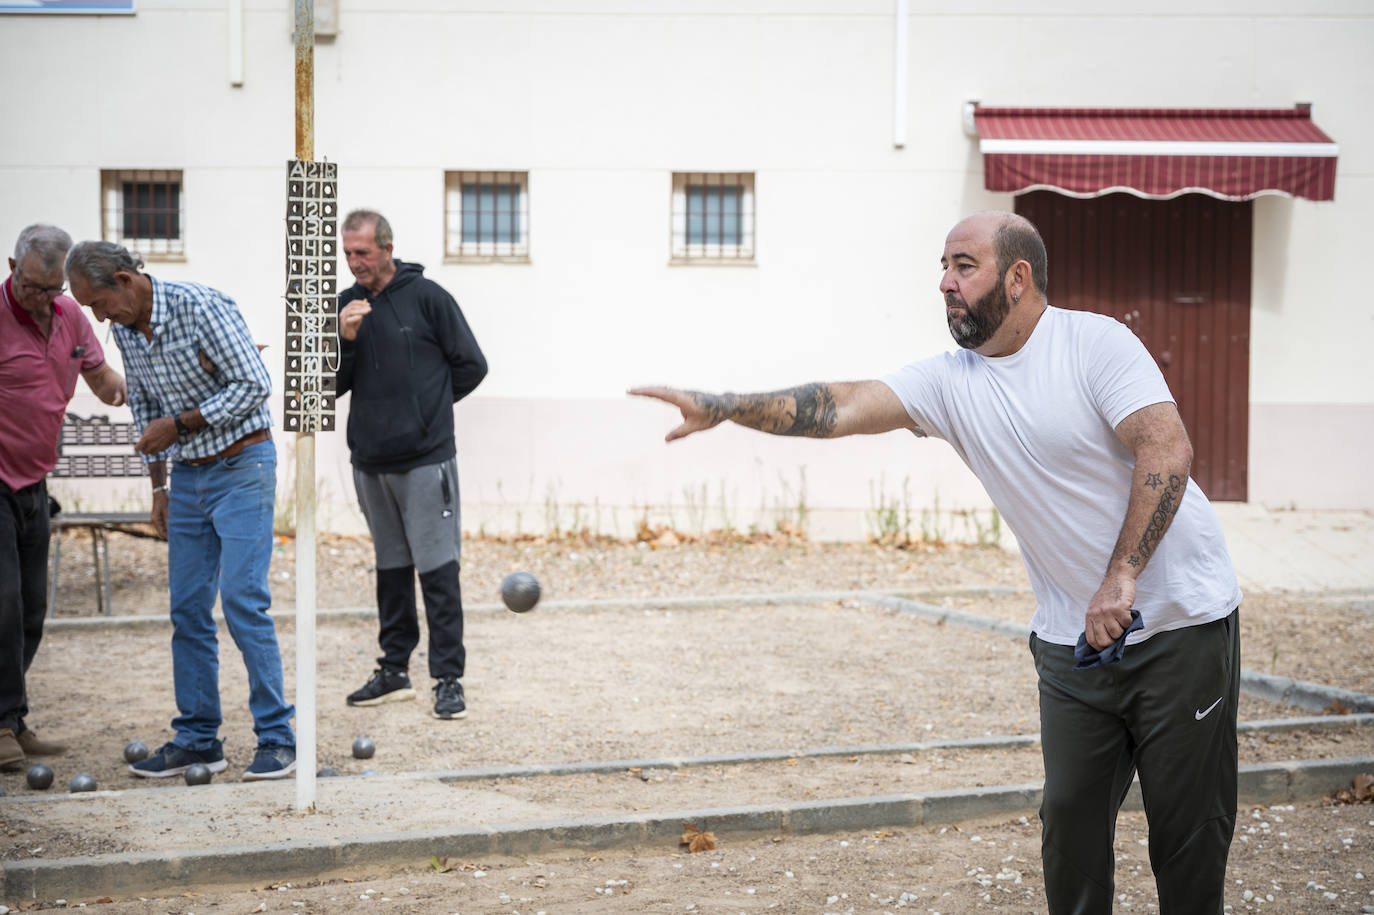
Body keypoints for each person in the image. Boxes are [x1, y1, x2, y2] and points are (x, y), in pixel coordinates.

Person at [631, 211, 1242, 914]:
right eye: (943, 267)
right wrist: (725, 406)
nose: (945, 283)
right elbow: (844, 404)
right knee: (1069, 825)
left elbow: (1165, 448)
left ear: (1017, 278)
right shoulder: (953, 382)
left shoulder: (1095, 345)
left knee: (1187, 837)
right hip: (1072, 640)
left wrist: (1123, 574)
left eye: (963, 266)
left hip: (1180, 622)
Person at [65, 241, 297, 781]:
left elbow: (255, 386)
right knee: (187, 609)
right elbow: (147, 414)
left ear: (125, 279)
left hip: (244, 464)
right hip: (188, 476)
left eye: (99, 303)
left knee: (243, 600)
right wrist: (159, 490)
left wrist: (183, 423)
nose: (98, 318)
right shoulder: (124, 330)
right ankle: (198, 740)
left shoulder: (201, 306)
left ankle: (278, 738)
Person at [336, 210, 487, 720]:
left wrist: (429, 413)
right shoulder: (345, 306)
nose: (354, 262)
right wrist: (346, 340)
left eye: (363, 252)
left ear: (387, 247)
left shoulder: (429, 298)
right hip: (370, 461)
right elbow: (330, 386)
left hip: (425, 459)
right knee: (391, 571)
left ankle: (448, 679)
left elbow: (472, 365)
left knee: (438, 572)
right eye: (348, 252)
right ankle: (394, 670)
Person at [0, 225, 127, 772]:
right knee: (2, 603)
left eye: (54, 291)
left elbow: (104, 383)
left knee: (31, 609)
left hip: (34, 482)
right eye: (33, 288)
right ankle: (2, 723)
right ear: (12, 267)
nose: (44, 301)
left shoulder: (71, 317)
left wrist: (179, 379)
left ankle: (11, 717)